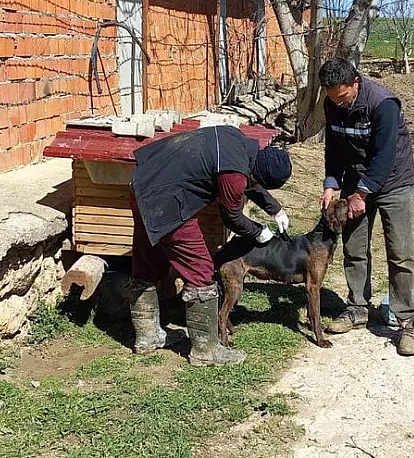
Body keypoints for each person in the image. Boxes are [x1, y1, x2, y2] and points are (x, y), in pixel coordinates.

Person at [125, 125, 292, 366]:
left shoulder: (237, 140)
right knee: (201, 269)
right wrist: (259, 232)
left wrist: (275, 209)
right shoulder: (235, 176)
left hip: (141, 183)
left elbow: (249, 179)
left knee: (148, 259)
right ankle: (206, 351)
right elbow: (232, 216)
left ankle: (147, 336)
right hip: (167, 200)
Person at [318, 57, 414, 356]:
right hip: (354, 179)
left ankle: (406, 322)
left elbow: (384, 156)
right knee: (355, 248)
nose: (337, 102)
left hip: (393, 182)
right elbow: (333, 148)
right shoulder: (331, 102)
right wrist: (331, 183)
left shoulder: (383, 104)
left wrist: (361, 194)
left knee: (400, 253)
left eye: (342, 96)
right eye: (331, 97)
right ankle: (358, 308)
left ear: (355, 83)